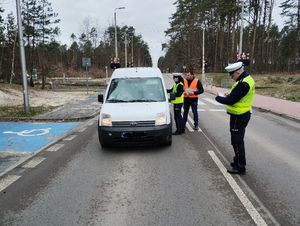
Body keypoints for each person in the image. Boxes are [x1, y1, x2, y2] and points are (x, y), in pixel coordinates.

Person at [215, 61, 255, 175]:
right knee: (237, 140)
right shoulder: (245, 79)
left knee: (237, 141)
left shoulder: (243, 83)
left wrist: (218, 98)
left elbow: (232, 100)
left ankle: (240, 167)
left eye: (231, 74)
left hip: (240, 115)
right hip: (240, 114)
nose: (230, 77)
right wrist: (230, 95)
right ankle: (237, 160)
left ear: (238, 72)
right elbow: (237, 95)